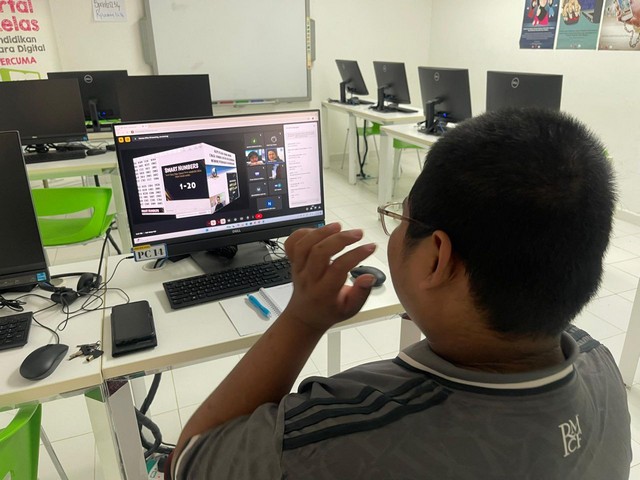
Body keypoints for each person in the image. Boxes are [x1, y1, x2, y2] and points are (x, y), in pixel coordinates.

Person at [169, 109, 631, 479]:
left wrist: (303, 319)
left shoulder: (333, 438)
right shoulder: (601, 365)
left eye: (401, 218)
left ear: (436, 257)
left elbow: (188, 462)